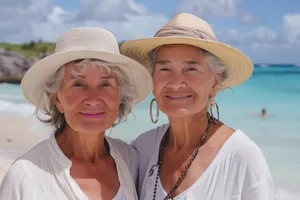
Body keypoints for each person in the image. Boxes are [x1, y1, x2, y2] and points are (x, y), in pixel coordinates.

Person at [121, 13, 274, 200]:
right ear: (153, 79)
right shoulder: (143, 148)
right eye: (164, 69)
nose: (176, 83)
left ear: (214, 83)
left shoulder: (242, 157)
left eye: (191, 69)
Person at [0, 27, 152, 200]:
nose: (93, 99)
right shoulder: (25, 176)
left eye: (105, 84)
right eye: (78, 84)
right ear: (57, 98)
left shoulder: (131, 160)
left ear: (120, 97)